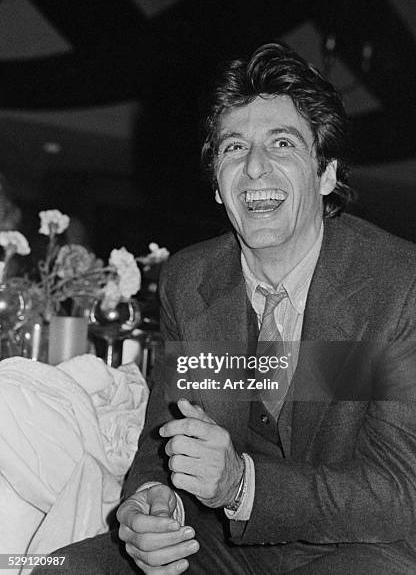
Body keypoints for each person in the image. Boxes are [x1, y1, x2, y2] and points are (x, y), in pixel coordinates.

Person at [36, 42, 416, 574]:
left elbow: (401, 492)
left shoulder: (400, 285)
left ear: (326, 173)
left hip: (356, 547)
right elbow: (164, 432)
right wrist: (150, 499)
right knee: (61, 569)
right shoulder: (189, 280)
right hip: (221, 546)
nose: (255, 167)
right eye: (233, 148)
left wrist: (241, 483)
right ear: (217, 184)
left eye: (282, 144)